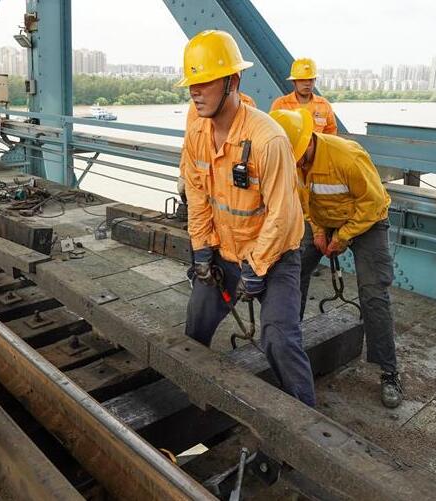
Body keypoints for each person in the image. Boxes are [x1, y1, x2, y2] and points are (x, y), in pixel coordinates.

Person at [177, 30, 316, 407]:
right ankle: (191, 398)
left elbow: (283, 214)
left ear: (233, 81)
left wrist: (256, 266)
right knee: (196, 322)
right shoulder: (196, 135)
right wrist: (202, 249)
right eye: (192, 85)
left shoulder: (268, 139)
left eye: (205, 82)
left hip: (275, 256)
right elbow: (197, 197)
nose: (195, 92)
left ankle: (305, 421)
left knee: (279, 338)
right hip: (224, 250)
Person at [270, 108, 403, 408]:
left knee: (373, 293)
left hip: (366, 222)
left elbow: (373, 204)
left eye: (296, 157)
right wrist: (318, 231)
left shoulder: (347, 156)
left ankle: (389, 371)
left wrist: (342, 237)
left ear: (308, 142)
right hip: (323, 219)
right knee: (293, 271)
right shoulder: (292, 162)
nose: (295, 164)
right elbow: (304, 202)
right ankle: (289, 346)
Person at [176, 93, 256, 220]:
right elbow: (190, 143)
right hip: (209, 170)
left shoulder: (247, 103)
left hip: (232, 172)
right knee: (204, 211)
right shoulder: (198, 106)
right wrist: (184, 175)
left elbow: (251, 144)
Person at [270, 58, 338, 134]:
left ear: (315, 80)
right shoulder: (281, 104)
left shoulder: (324, 104)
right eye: (302, 80)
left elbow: (331, 130)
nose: (307, 83)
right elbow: (272, 130)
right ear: (293, 82)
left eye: (311, 79)